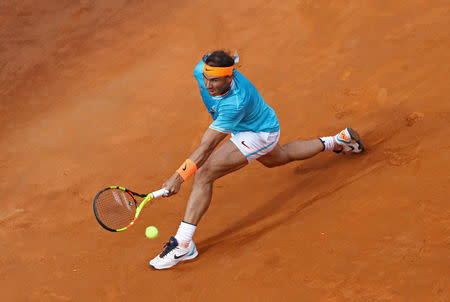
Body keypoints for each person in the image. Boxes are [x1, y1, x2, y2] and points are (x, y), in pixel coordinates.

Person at [149, 50, 364, 270]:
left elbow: (207, 147)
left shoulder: (235, 102)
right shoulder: (202, 70)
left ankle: (183, 244)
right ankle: (338, 140)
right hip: (254, 122)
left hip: (258, 132)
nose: (208, 84)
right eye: (206, 78)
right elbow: (212, 59)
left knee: (204, 174)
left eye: (215, 80)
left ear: (229, 78)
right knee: (279, 158)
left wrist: (179, 177)